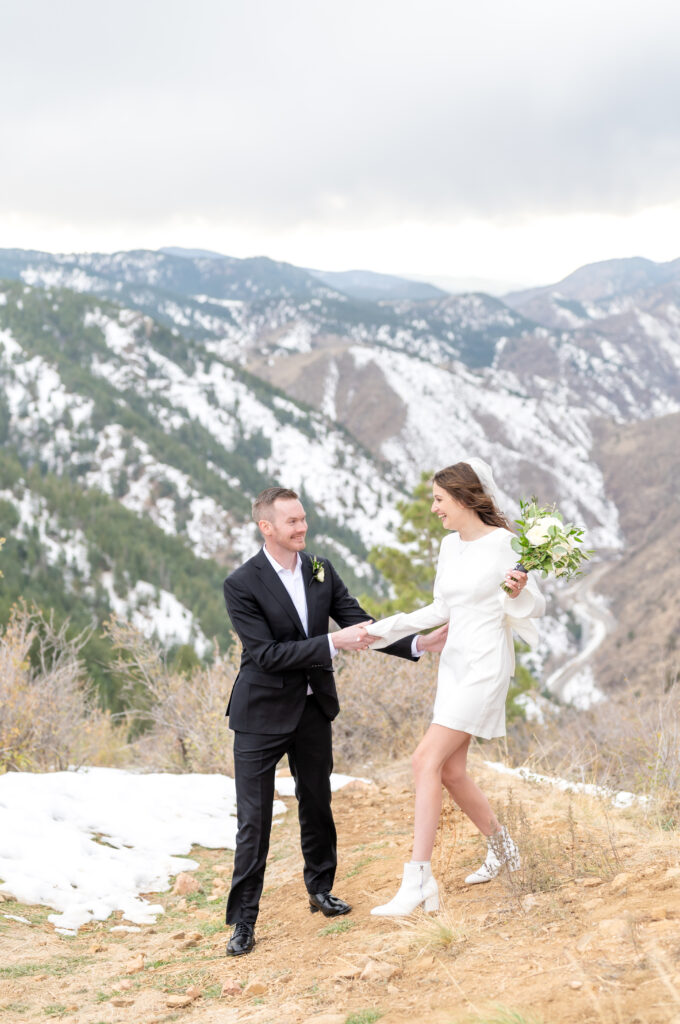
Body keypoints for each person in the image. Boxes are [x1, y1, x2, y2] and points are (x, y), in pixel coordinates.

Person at [221, 486, 447, 956]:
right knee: (254, 821)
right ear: (267, 528)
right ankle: (243, 921)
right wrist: (332, 644)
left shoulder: (321, 569)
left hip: (312, 708)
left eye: (303, 519)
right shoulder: (241, 583)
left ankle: (320, 889)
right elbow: (264, 655)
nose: (302, 528)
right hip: (259, 715)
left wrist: (417, 645)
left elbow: (360, 624)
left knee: (318, 803)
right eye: (292, 522)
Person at [362, 459, 545, 916]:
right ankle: (505, 851)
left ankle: (418, 879)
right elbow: (439, 607)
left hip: (486, 663)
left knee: (425, 758)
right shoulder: (448, 546)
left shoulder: (506, 544)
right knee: (451, 770)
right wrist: (378, 631)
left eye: (439, 499)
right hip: (455, 663)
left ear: (464, 498)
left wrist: (519, 588)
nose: (433, 508)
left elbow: (534, 604)